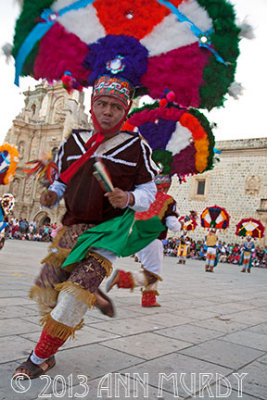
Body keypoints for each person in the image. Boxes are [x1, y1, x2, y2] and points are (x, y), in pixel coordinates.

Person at [13, 74, 158, 379]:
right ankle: (53, 346)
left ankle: (37, 358)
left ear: (125, 111)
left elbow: (149, 192)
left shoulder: (136, 147)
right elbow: (61, 181)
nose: (107, 111)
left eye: (115, 107)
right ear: (92, 106)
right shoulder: (75, 142)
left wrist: (129, 197)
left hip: (108, 233)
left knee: (74, 295)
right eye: (102, 104)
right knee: (49, 292)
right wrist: (51, 194)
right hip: (71, 229)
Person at [106, 174, 182, 307]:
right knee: (152, 273)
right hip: (153, 240)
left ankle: (149, 299)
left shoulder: (145, 198)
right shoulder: (168, 200)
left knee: (150, 268)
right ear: (167, 186)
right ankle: (123, 278)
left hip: (137, 240)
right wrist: (181, 225)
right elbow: (172, 224)